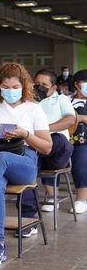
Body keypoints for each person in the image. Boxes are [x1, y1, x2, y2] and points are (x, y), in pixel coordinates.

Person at [0, 62, 52, 266]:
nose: (10, 91)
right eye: (6, 87)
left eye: (15, 87)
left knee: (0, 160)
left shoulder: (34, 109)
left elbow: (46, 147)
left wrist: (25, 133)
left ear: (24, 86)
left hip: (24, 161)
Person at [20, 69, 75, 222]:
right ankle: (28, 216)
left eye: (44, 84)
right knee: (27, 165)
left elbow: (71, 120)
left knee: (56, 142)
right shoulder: (28, 101)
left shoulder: (61, 99)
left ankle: (51, 195)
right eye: (37, 83)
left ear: (53, 87)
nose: (39, 87)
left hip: (56, 143)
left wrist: (44, 128)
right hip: (33, 144)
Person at [70, 70, 87, 213]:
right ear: (76, 84)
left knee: (80, 163)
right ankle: (51, 196)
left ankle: (81, 199)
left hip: (83, 142)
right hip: (66, 139)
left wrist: (81, 118)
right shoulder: (66, 100)